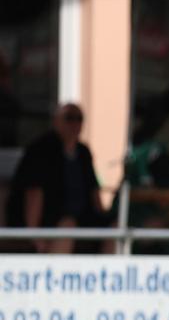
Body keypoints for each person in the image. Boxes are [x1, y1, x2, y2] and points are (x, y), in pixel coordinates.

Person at [6, 103, 109, 253]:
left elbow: (94, 191)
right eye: (69, 118)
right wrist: (34, 235)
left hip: (83, 219)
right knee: (68, 226)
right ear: (56, 121)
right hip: (49, 221)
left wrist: (103, 220)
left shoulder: (83, 152)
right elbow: (34, 193)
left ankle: (109, 267)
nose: (75, 123)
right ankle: (54, 267)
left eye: (79, 118)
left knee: (115, 228)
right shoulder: (41, 150)